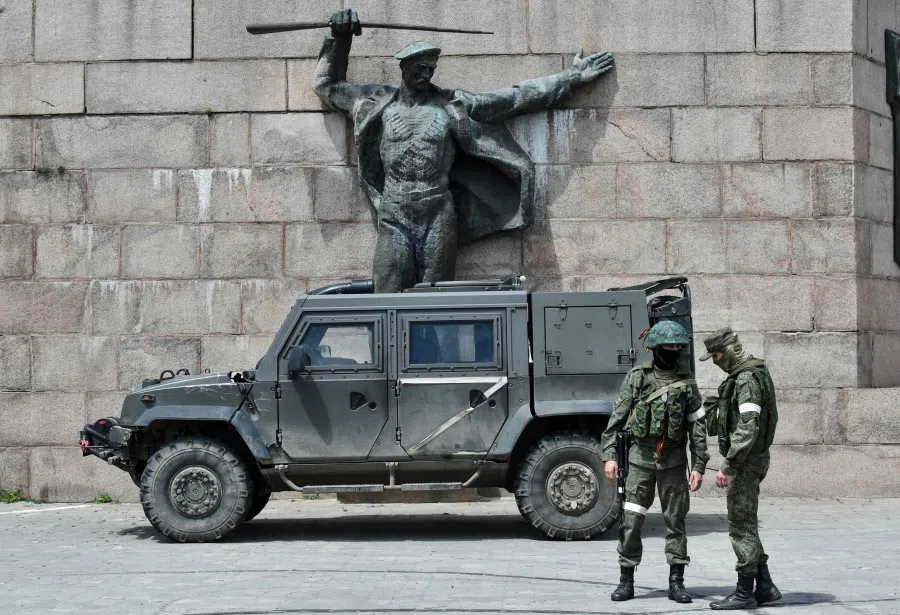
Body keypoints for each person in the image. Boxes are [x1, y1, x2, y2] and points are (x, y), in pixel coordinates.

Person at [314, 8, 614, 292]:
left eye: (431, 69)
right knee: (386, 293)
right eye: (420, 68)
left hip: (437, 213)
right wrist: (340, 38)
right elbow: (326, 84)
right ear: (403, 66)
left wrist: (571, 78)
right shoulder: (372, 103)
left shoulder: (452, 105)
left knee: (437, 301)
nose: (426, 75)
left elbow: (514, 98)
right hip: (394, 215)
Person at [601, 320, 709, 603]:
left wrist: (699, 465)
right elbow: (617, 419)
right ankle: (626, 580)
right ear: (655, 348)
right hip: (640, 461)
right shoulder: (638, 378)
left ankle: (677, 582)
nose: (674, 350)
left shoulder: (687, 381)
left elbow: (697, 426)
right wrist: (609, 456)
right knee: (631, 520)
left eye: (677, 346)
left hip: (674, 462)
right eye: (668, 346)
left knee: (676, 522)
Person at [700, 328, 781, 610]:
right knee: (746, 523)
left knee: (741, 526)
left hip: (746, 462)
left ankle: (745, 592)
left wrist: (729, 466)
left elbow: (748, 427)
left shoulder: (746, 379)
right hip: (751, 459)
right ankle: (766, 586)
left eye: (716, 355)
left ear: (728, 351)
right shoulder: (749, 373)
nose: (714, 361)